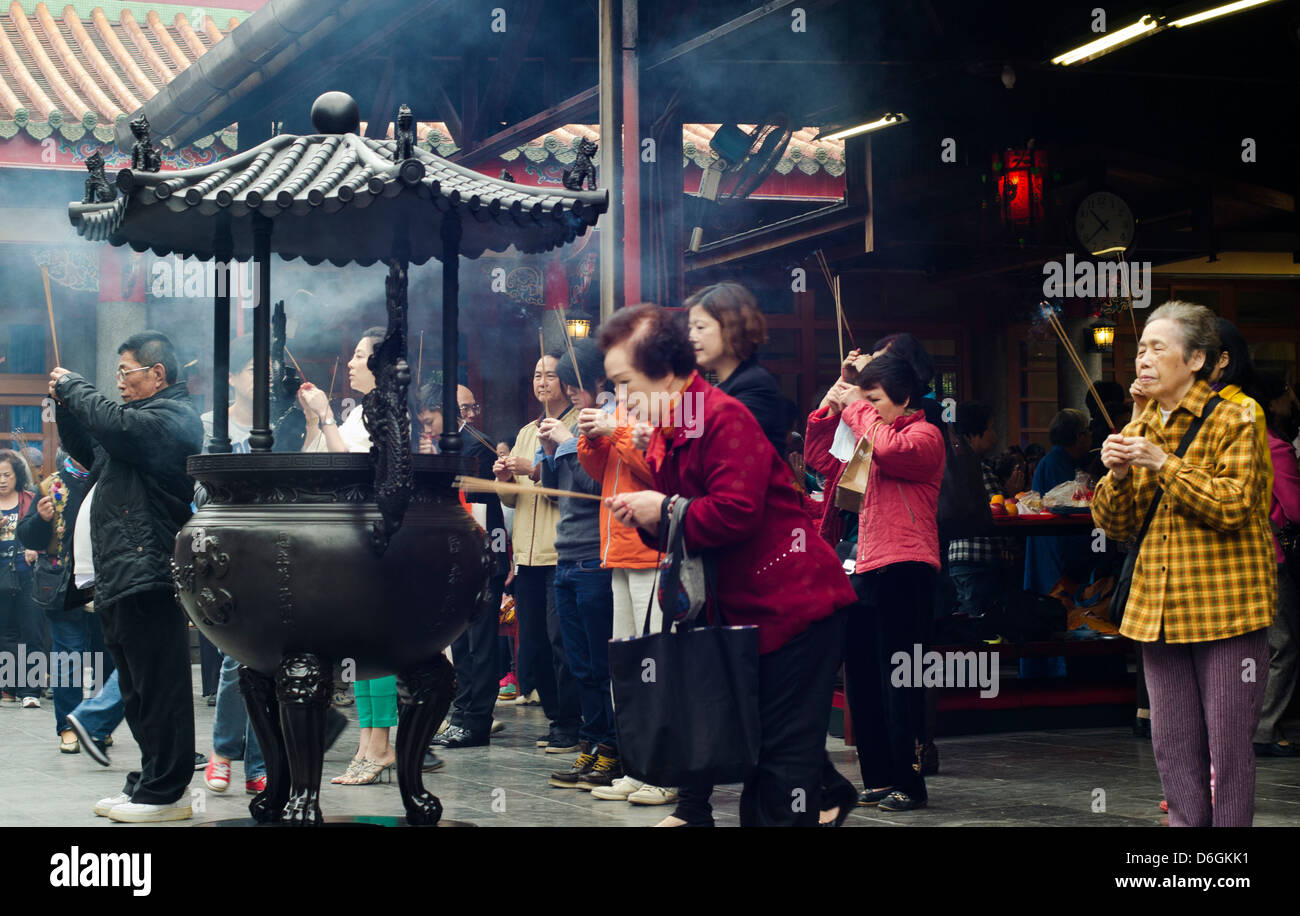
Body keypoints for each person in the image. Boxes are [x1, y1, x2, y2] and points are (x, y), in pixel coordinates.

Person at [601, 304, 856, 827]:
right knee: (765, 748)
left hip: (795, 607)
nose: (621, 399)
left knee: (777, 767)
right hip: (747, 617)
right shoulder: (674, 431)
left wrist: (664, 509)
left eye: (625, 382)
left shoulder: (722, 415)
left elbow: (736, 513)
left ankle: (821, 796)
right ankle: (828, 794)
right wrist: (649, 514)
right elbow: (683, 525)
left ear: (664, 372)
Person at [1093, 301, 1274, 827]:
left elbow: (1237, 504)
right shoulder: (1144, 421)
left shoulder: (1239, 415)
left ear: (1196, 360)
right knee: (1170, 747)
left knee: (1230, 753)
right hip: (1160, 609)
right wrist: (1119, 474)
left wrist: (1163, 462)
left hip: (1227, 609)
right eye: (1141, 349)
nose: (1142, 360)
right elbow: (1117, 524)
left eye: (1157, 349)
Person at [50, 331, 204, 823]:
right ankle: (149, 784)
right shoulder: (131, 430)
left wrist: (76, 388)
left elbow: (112, 426)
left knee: (159, 689)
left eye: (125, 372)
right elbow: (92, 446)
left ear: (157, 374)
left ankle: (167, 792)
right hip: (118, 573)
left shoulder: (173, 418)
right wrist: (66, 406)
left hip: (149, 571)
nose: (118, 382)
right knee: (137, 693)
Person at [808, 355, 946, 812]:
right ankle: (880, 777)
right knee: (863, 681)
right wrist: (833, 402)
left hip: (907, 568)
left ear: (904, 400)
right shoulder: (871, 431)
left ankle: (910, 780)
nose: (866, 405)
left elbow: (887, 449)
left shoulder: (924, 436)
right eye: (865, 398)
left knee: (899, 682)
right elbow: (821, 461)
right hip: (865, 567)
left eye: (876, 398)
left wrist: (857, 408)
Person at [298, 327, 400, 783]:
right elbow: (317, 460)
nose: (353, 363)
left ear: (379, 365)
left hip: (378, 534)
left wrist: (326, 418)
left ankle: (381, 746)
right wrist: (314, 420)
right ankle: (366, 743)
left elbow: (353, 470)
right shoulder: (362, 410)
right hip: (353, 536)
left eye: (361, 356)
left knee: (375, 644)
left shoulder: (388, 412)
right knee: (360, 646)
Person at [575, 347, 676, 806]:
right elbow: (600, 473)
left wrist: (614, 430)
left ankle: (665, 772)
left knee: (656, 665)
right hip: (617, 552)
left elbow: (659, 470)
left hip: (651, 553)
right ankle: (637, 767)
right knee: (627, 670)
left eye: (625, 381)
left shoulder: (663, 416)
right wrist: (591, 439)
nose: (620, 391)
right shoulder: (624, 417)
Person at [537, 339, 623, 791]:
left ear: (597, 380)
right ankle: (591, 745)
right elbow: (556, 496)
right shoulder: (575, 423)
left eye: (573, 384)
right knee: (579, 662)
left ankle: (611, 747)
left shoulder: (605, 419)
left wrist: (567, 444)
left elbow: (595, 482)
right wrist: (547, 454)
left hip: (596, 554)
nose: (568, 393)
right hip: (566, 554)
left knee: (600, 661)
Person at [493, 354, 582, 746]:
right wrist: (504, 478)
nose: (542, 382)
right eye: (536, 375)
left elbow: (571, 491)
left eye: (550, 375)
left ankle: (571, 722)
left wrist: (533, 470)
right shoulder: (528, 430)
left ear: (566, 382)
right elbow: (515, 502)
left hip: (559, 552)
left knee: (562, 640)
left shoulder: (577, 425)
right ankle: (555, 719)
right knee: (534, 642)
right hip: (526, 556)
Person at [434, 383, 508, 748]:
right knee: (460, 641)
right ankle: (461, 712)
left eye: (470, 407)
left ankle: (477, 718)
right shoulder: (441, 444)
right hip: (455, 554)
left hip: (483, 552)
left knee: (480, 641)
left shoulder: (478, 445)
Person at [17, 450, 104, 747]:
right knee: (69, 656)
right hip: (61, 584)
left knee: (104, 656)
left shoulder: (108, 478)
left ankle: (97, 726)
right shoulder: (50, 486)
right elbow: (28, 538)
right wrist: (40, 520)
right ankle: (68, 725)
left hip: (105, 581)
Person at [1253, 372, 1299, 757]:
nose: (1291, 399)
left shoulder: (1239, 440)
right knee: (1283, 645)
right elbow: (1296, 509)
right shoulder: (1276, 447)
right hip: (1273, 556)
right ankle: (1265, 728)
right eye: (1285, 392)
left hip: (1242, 558)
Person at [686, 282, 787, 454]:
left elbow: (720, 447)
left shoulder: (754, 385)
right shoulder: (726, 385)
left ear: (730, 327)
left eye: (700, 327)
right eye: (691, 328)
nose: (691, 336)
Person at [944, 403, 1017, 627]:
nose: (995, 436)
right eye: (992, 428)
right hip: (977, 562)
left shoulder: (958, 462)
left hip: (961, 560)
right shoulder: (976, 469)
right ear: (975, 434)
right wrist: (1011, 497)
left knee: (974, 623)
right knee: (981, 628)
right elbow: (997, 510)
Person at [1023, 408, 1093, 596]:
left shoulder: (1066, 461)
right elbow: (1072, 504)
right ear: (1079, 436)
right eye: (1088, 431)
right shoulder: (1055, 463)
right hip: (1055, 550)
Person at [0, 450, 40, 707]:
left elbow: (45, 531)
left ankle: (31, 690)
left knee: (32, 632)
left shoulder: (30, 499)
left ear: (17, 476)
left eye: (6, 474)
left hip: (27, 575)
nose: (2, 480)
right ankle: (8, 687)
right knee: (5, 633)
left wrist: (35, 547)